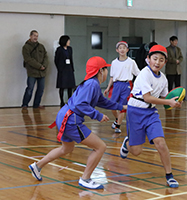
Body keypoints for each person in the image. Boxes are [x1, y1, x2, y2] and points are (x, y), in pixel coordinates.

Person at [28, 56, 126, 190]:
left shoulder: (91, 83)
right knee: (100, 147)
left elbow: (102, 101)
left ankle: (37, 166)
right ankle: (85, 179)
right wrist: (97, 115)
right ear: (100, 71)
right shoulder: (92, 84)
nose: (107, 73)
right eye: (105, 69)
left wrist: (121, 107)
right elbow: (80, 104)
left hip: (64, 116)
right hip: (70, 120)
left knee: (66, 148)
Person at [120, 45, 182, 188]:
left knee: (161, 143)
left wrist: (175, 102)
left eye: (161, 60)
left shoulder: (164, 78)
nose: (157, 62)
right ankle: (128, 143)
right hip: (135, 111)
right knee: (136, 152)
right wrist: (168, 101)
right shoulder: (144, 73)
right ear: (148, 59)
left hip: (151, 113)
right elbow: (147, 98)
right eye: (155, 58)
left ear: (165, 62)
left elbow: (165, 97)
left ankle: (169, 175)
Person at [104, 41, 140, 134]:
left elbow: (138, 74)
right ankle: (117, 120)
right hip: (116, 85)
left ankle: (118, 126)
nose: (122, 49)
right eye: (120, 48)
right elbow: (112, 77)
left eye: (124, 48)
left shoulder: (131, 62)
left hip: (127, 85)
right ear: (117, 50)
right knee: (112, 105)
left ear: (127, 50)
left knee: (122, 107)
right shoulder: (114, 62)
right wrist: (108, 88)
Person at [22, 30, 48, 109]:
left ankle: (36, 104)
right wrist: (39, 66)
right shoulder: (26, 47)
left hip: (41, 72)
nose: (35, 37)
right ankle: (25, 104)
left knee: (40, 90)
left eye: (37, 36)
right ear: (30, 36)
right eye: (34, 35)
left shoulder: (41, 46)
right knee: (30, 89)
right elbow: (28, 59)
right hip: (32, 72)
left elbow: (46, 57)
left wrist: (44, 65)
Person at [54, 35, 76, 108]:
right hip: (62, 69)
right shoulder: (59, 49)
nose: (69, 42)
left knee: (70, 86)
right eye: (68, 41)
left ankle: (69, 100)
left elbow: (71, 59)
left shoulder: (70, 49)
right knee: (62, 86)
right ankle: (62, 101)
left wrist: (72, 68)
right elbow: (56, 60)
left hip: (69, 68)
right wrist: (60, 68)